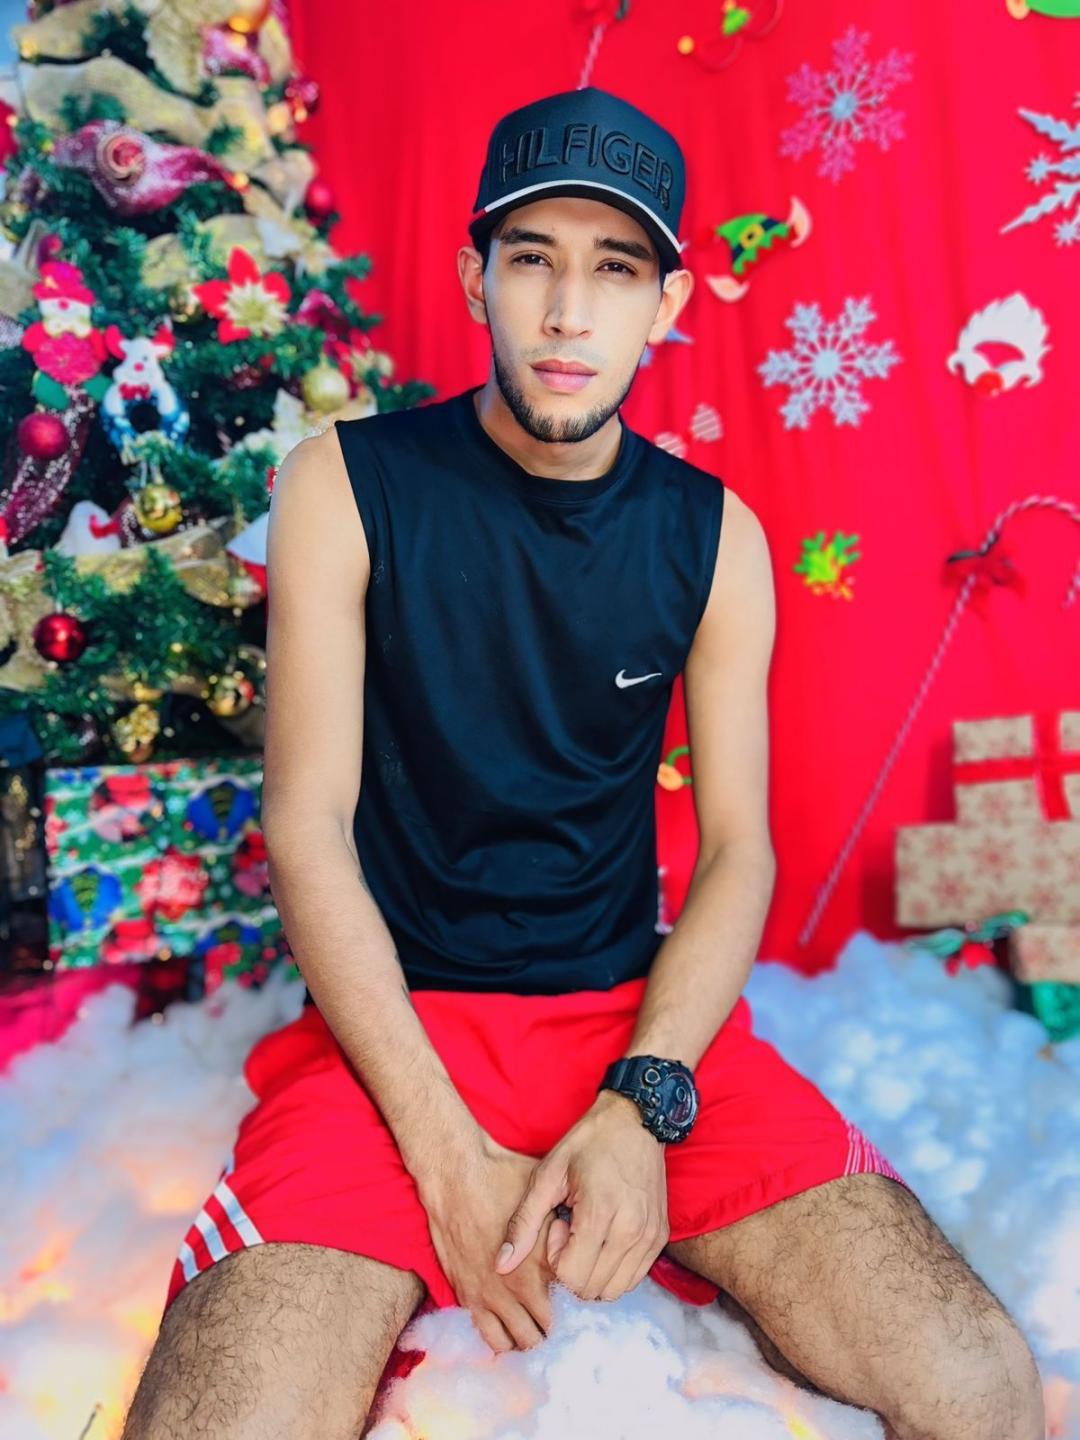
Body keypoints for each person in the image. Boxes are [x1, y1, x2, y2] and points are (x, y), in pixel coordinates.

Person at [122, 86, 1044, 1440]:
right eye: (532, 261)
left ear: (667, 304)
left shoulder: (715, 537)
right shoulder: (345, 486)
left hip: (630, 1022)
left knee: (983, 1386)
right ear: (475, 279)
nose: (567, 314)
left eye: (614, 271)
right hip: (392, 1032)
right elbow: (305, 826)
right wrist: (443, 1152)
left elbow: (739, 853)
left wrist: (644, 1102)